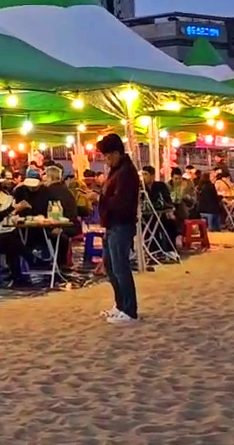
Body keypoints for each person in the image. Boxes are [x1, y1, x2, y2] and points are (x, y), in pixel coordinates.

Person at [96, 134, 139, 324]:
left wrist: (101, 199)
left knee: (120, 266)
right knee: (110, 266)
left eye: (107, 156)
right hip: (112, 224)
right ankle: (120, 304)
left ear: (116, 153)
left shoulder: (126, 173)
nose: (105, 160)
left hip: (121, 224)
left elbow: (122, 202)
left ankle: (129, 310)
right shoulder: (116, 171)